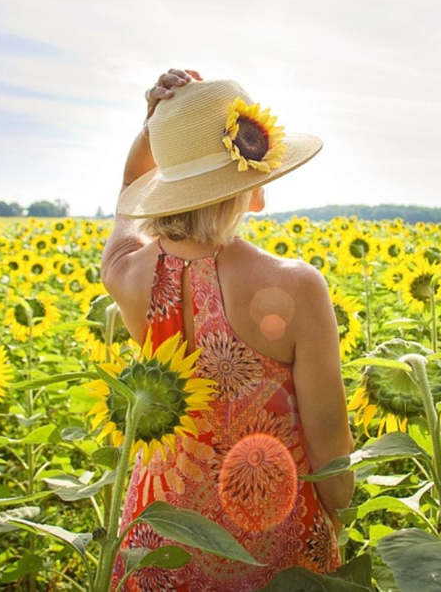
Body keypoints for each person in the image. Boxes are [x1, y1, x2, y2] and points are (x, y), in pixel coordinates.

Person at [101, 68, 354, 590]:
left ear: (164, 186)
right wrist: (339, 523)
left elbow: (127, 203)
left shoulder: (128, 275)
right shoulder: (298, 287)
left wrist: (154, 129)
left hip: (160, 541)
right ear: (252, 187)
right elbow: (329, 438)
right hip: (272, 539)